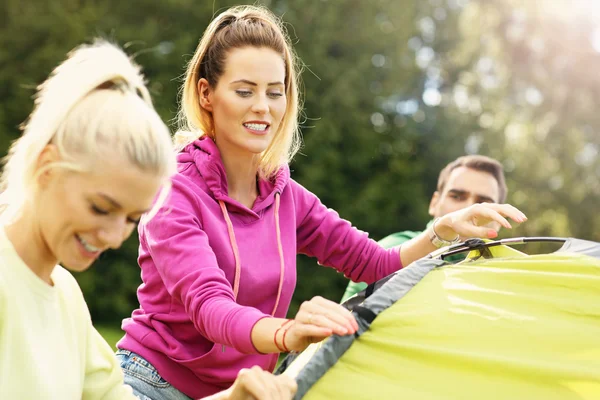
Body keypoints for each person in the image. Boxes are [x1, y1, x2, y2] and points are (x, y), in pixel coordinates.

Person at [116, 5, 528, 400]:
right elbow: (211, 308)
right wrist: (288, 332)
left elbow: (373, 263)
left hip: (247, 393)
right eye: (244, 91)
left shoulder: (284, 196)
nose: (262, 107)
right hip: (153, 384)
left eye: (274, 93)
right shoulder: (174, 192)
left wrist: (441, 230)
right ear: (207, 94)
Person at [0, 40, 296, 400]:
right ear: (47, 168)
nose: (112, 237)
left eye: (131, 218)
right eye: (100, 208)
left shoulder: (65, 300)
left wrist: (235, 397)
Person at [341, 154, 508, 302]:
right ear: (434, 203)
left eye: (484, 203)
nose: (470, 209)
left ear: (500, 219)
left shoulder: (504, 277)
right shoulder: (394, 247)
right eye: (456, 196)